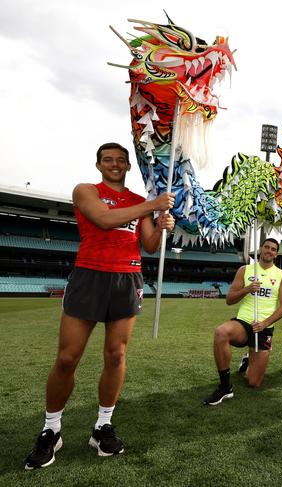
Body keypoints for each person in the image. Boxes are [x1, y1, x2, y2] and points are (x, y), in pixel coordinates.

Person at [25, 143, 175, 470]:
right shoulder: (86, 190)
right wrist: (152, 204)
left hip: (127, 278)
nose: (115, 164)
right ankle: (51, 429)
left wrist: (162, 225)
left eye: (121, 160)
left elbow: (148, 245)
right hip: (90, 276)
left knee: (116, 354)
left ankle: (102, 425)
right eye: (108, 159)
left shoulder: (139, 202)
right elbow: (104, 220)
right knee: (67, 357)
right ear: (98, 164)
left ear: (128, 166)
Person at [204, 238, 282, 405]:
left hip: (264, 328)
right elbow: (229, 299)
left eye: (273, 249)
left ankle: (248, 359)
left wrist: (265, 323)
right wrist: (247, 289)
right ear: (260, 249)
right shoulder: (245, 270)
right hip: (243, 323)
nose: (269, 251)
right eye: (266, 247)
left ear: (276, 254)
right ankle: (225, 387)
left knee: (254, 382)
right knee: (221, 332)